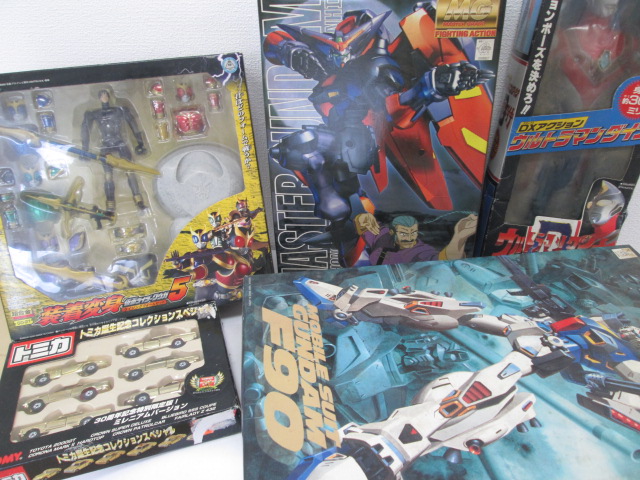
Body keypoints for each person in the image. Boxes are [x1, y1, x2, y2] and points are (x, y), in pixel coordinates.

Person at [355, 212, 477, 265]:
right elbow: (366, 226)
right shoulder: (382, 236)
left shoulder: (420, 251)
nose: (409, 238)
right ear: (392, 232)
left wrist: (459, 238)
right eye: (404, 234)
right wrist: (362, 217)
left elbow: (445, 259)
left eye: (413, 233)